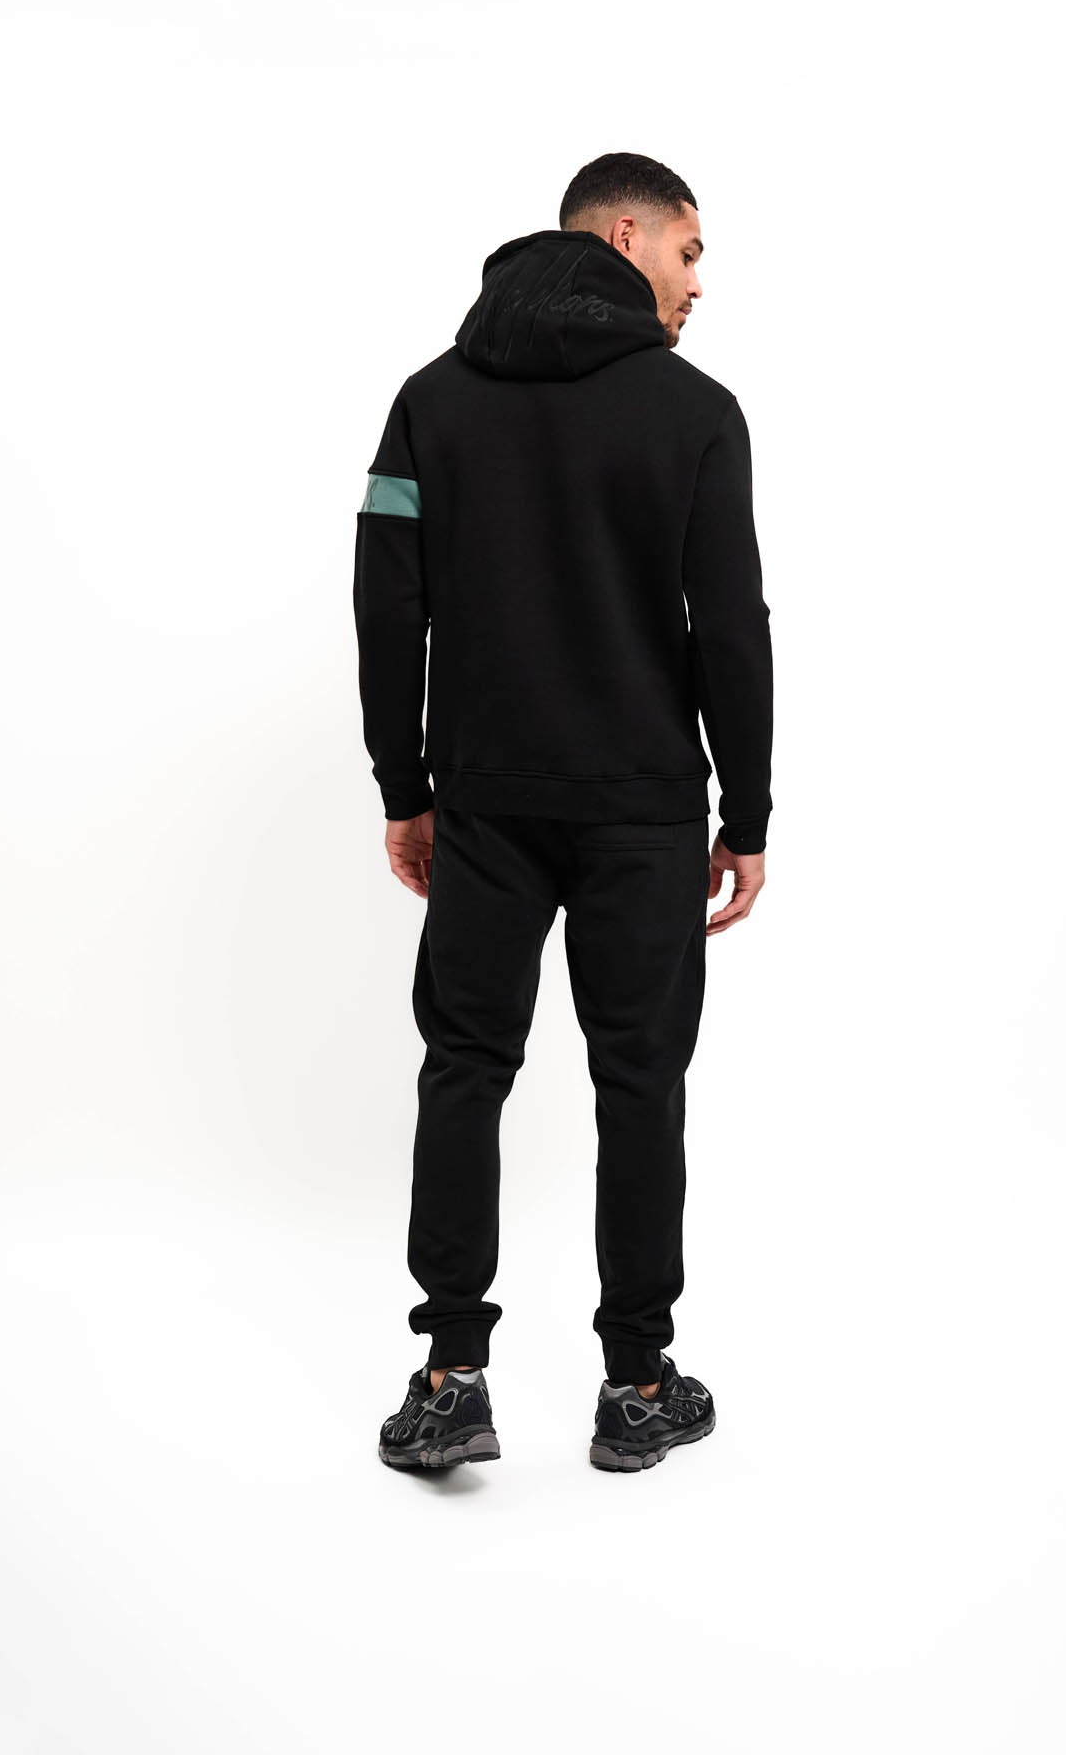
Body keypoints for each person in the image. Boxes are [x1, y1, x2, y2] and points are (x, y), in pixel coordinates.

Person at [353, 152, 773, 1473]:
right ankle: (638, 1385)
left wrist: (406, 787)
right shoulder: (695, 412)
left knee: (464, 1069)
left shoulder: (430, 401)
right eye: (690, 252)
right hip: (644, 811)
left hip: (484, 804)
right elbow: (731, 625)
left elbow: (386, 602)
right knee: (638, 1083)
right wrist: (747, 810)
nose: (698, 283)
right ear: (628, 234)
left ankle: (449, 1376)